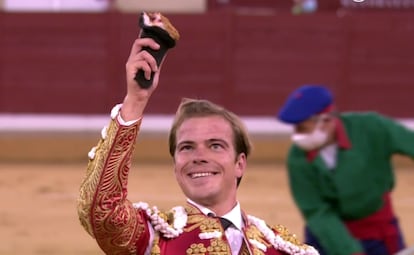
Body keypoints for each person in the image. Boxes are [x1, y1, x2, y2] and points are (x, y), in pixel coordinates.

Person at [76, 37, 320, 255]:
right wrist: (135, 101)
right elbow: (102, 210)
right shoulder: (153, 237)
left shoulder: (281, 248)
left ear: (239, 164)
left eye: (215, 146)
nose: (199, 156)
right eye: (186, 147)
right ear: (176, 167)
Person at [276, 85, 413, 255]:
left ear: (326, 119)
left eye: (302, 128)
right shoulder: (297, 158)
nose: (297, 135)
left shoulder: (372, 128)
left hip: (377, 232)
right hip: (326, 239)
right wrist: (350, 251)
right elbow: (317, 212)